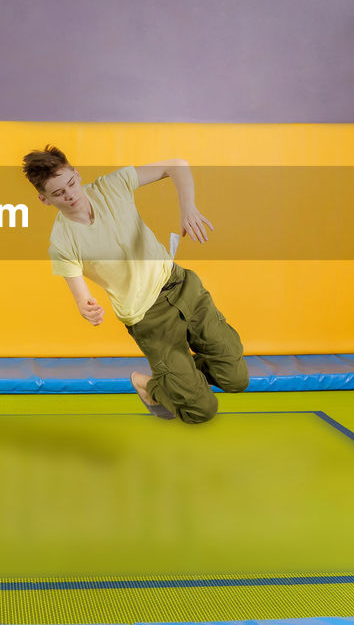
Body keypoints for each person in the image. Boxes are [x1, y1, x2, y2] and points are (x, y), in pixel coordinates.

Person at [21, 145, 248, 423]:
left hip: (181, 286)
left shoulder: (111, 186)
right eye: (58, 193)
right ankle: (151, 386)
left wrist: (188, 208)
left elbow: (176, 164)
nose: (70, 195)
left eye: (70, 183)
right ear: (44, 200)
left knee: (236, 379)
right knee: (201, 410)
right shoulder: (62, 243)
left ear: (76, 174)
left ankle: (180, 378)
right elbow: (79, 293)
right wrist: (86, 306)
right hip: (149, 319)